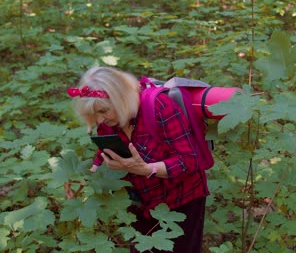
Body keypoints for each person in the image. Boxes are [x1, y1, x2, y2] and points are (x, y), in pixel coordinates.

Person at [67, 66, 210, 253]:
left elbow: (189, 161)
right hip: (140, 202)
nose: (100, 120)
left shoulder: (159, 105)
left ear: (120, 99)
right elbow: (106, 153)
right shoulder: (109, 122)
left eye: (103, 111)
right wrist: (85, 181)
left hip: (181, 200)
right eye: (95, 115)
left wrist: (145, 169)